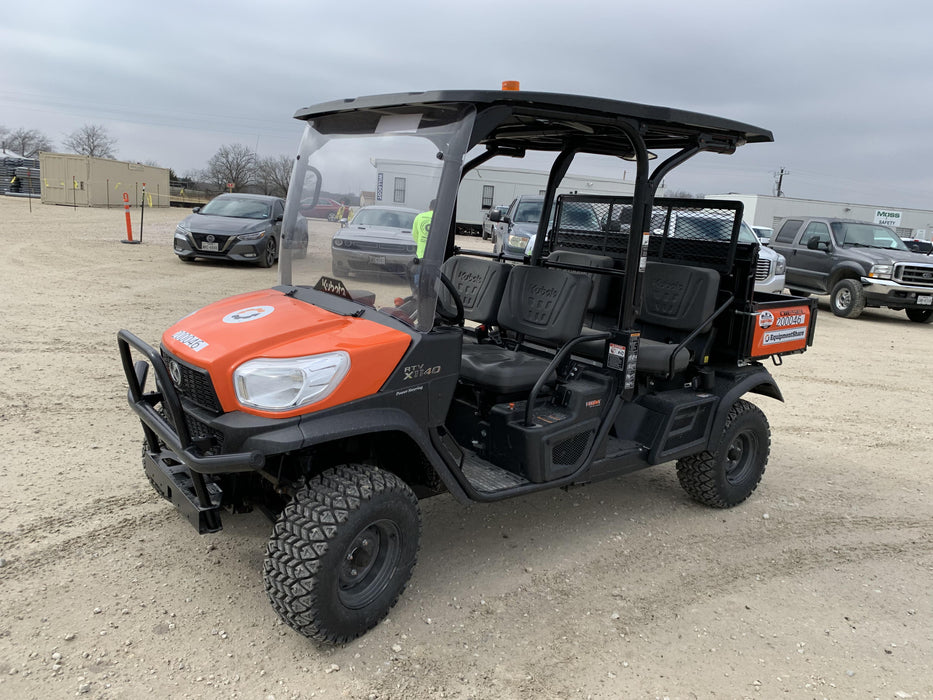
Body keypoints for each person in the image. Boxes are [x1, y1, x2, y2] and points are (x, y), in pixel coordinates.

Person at [410, 199, 436, 286]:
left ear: (429, 207)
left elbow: (415, 234)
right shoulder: (441, 217)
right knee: (434, 278)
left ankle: (418, 293)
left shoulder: (419, 217)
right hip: (435, 255)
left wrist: (421, 243)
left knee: (419, 275)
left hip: (421, 253)